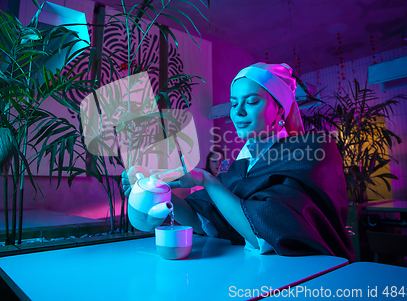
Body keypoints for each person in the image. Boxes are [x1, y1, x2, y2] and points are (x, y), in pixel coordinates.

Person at [122, 62, 355, 262]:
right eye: (234, 104)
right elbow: (200, 221)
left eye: (252, 102)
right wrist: (155, 188)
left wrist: (207, 180)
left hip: (311, 279)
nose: (238, 112)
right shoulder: (241, 167)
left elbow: (266, 233)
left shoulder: (312, 148)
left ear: (279, 109)